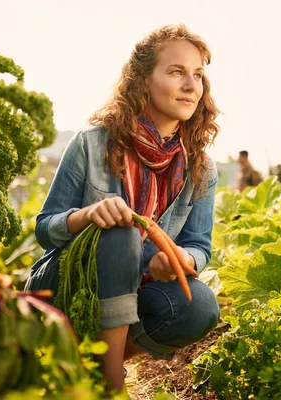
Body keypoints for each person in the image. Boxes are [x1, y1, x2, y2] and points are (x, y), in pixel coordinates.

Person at [24, 24, 221, 392]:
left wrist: (182, 259)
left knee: (201, 307)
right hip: (68, 287)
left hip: (136, 291)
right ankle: (110, 384)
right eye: (177, 72)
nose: (192, 86)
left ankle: (96, 360)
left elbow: (200, 245)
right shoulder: (92, 143)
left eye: (198, 75)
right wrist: (87, 217)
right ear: (144, 80)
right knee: (121, 230)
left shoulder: (201, 168)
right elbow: (44, 228)